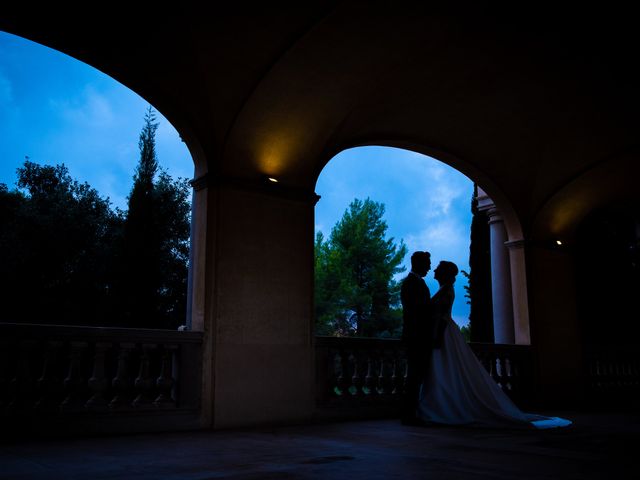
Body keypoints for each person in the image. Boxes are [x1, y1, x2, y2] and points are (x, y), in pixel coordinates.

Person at [417, 260, 572, 429]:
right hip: (444, 332)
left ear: (444, 273)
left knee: (443, 368)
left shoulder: (446, 290)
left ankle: (441, 408)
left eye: (437, 269)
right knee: (445, 368)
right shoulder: (444, 289)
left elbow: (442, 317)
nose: (434, 271)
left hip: (442, 333)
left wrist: (437, 337)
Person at [400, 250, 433, 425]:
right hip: (416, 337)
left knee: (416, 376)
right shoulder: (411, 283)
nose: (429, 267)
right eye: (427, 263)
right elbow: (416, 311)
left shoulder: (415, 282)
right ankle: (409, 415)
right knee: (414, 377)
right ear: (418, 263)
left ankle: (412, 413)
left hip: (417, 337)